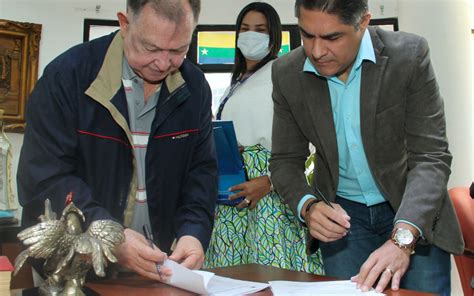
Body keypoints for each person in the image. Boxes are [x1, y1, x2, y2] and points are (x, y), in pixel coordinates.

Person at [269, 0, 464, 294]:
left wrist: (403, 236)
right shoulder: (286, 73)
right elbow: (285, 160)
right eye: (307, 35)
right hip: (343, 221)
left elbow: (431, 156)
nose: (317, 51)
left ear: (363, 23)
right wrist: (308, 207)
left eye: (332, 37)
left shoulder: (408, 57)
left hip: (411, 209)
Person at [17, 0, 217, 282]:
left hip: (154, 271)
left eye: (177, 50)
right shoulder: (68, 77)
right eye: (151, 48)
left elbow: (201, 172)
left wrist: (193, 232)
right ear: (124, 24)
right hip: (70, 270)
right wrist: (109, 235)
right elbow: (44, 177)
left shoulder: (194, 87)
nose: (163, 63)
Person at [204, 2, 323, 274]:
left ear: (274, 36)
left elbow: (315, 149)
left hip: (271, 197)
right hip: (235, 199)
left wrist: (269, 182)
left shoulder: (284, 74)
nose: (250, 35)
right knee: (232, 279)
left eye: (260, 29)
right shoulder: (236, 81)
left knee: (271, 276)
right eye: (244, 29)